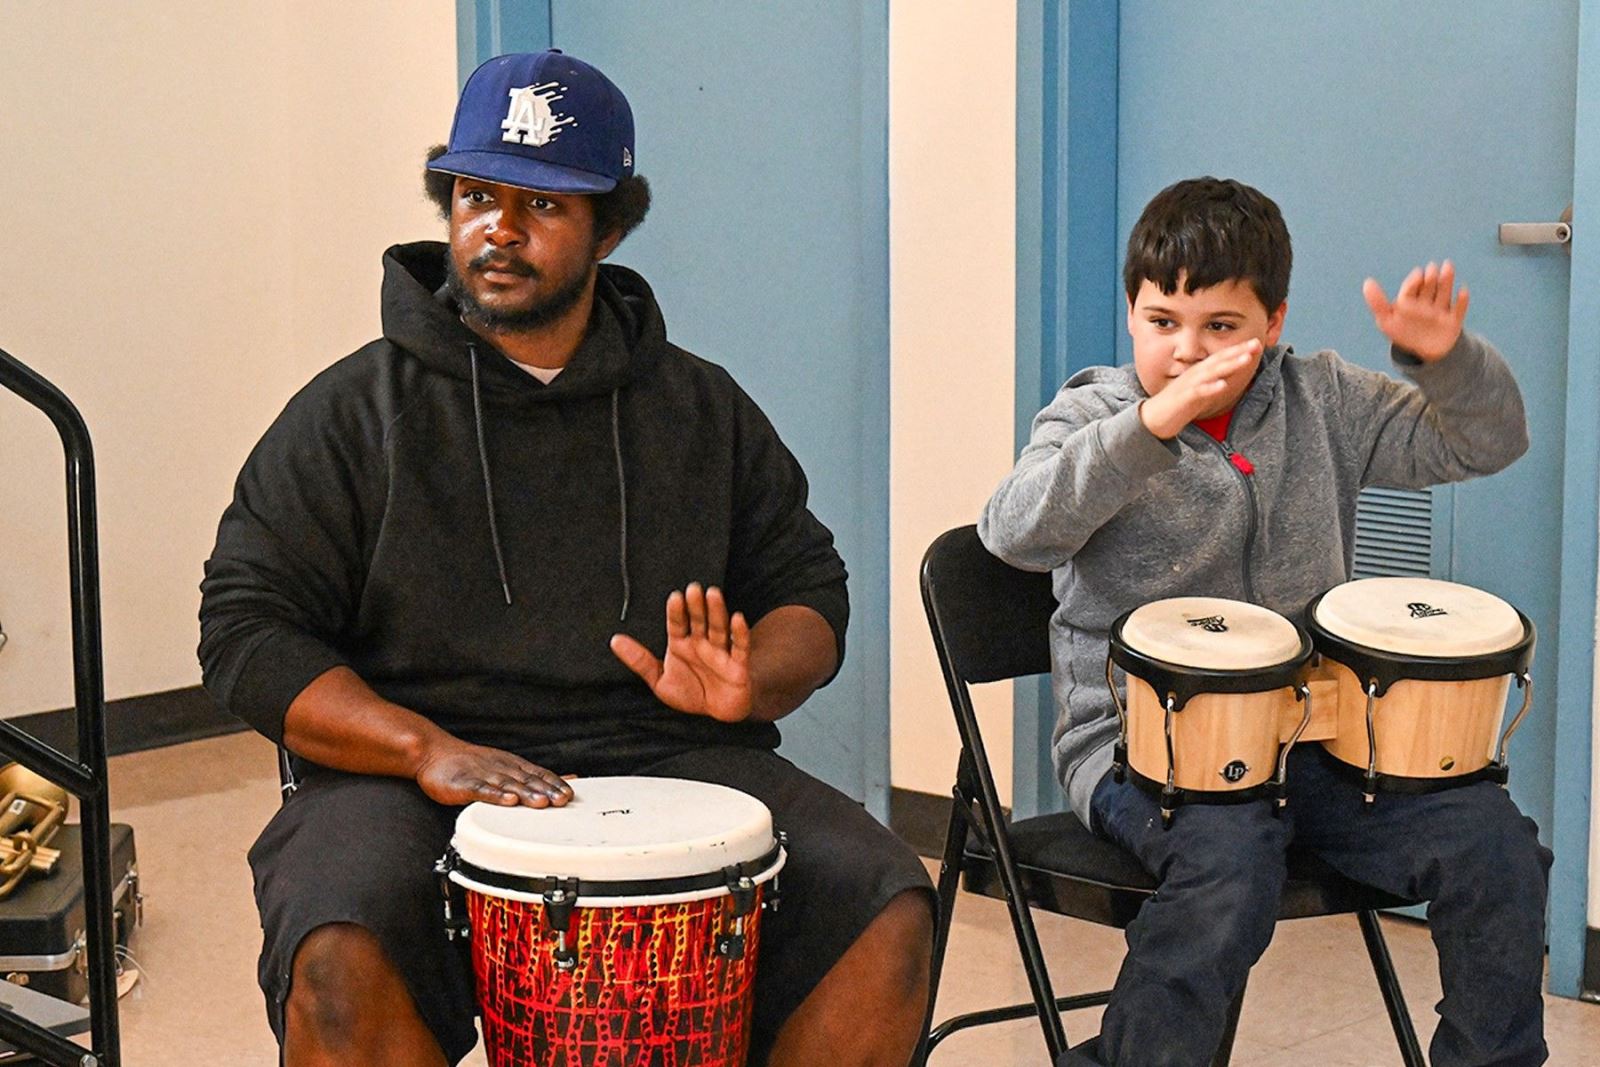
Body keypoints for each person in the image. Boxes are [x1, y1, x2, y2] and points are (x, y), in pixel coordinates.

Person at [199, 50, 932, 1067]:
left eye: (539, 204)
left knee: (883, 902)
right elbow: (246, 628)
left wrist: (752, 676)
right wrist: (418, 746)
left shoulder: (700, 407)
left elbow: (809, 589)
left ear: (613, 225)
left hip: (668, 745)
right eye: (474, 194)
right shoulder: (350, 415)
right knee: (339, 942)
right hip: (407, 767)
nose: (497, 227)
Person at [979, 177, 1551, 1067]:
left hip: (1316, 740)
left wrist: (1449, 363)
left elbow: (1486, 442)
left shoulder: (1324, 399)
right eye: (1163, 321)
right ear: (1131, 313)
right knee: (1230, 864)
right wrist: (1148, 426)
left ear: (1273, 321)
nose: (1187, 350)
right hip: (1141, 749)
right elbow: (1012, 530)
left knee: (1494, 847)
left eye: (1221, 326)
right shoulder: (1092, 412)